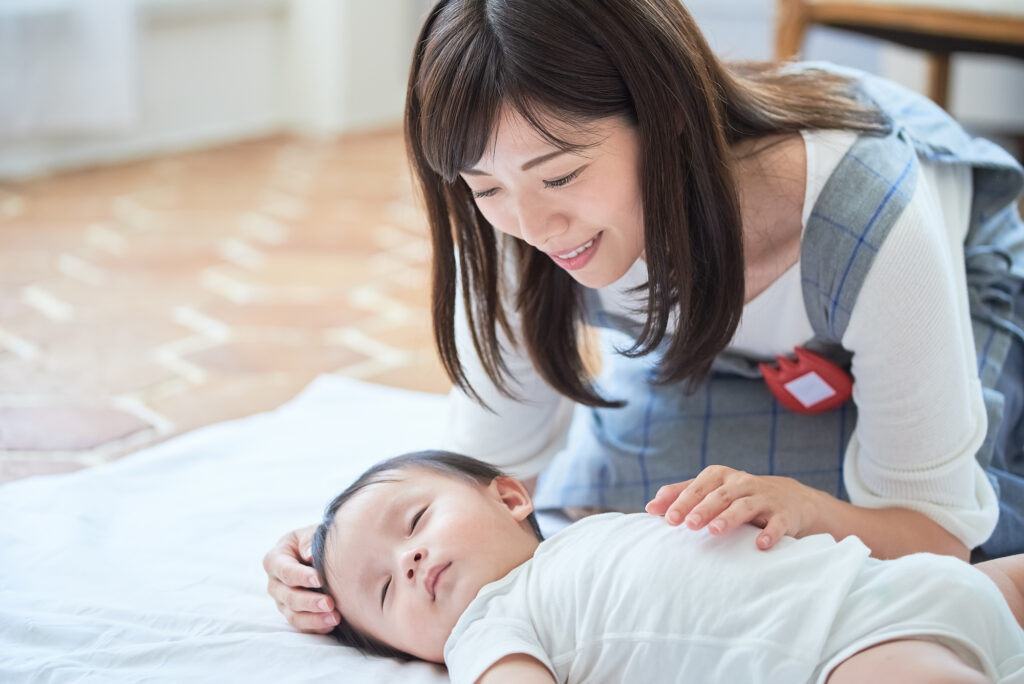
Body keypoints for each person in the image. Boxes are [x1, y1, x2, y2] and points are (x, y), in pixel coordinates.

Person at [264, 0, 1024, 632]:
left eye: (561, 174)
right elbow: (492, 474)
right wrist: (345, 558)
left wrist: (808, 508)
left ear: (665, 121)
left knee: (875, 549)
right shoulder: (515, 220)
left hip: (950, 288)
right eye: (481, 187)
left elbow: (934, 534)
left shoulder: (870, 218)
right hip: (713, 340)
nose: (535, 224)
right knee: (625, 515)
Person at [310, 450, 1024, 684]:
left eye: (415, 523)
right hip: (842, 656)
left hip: (886, 583)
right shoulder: (489, 633)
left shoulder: (591, 530)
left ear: (509, 494)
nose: (409, 563)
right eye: (381, 590)